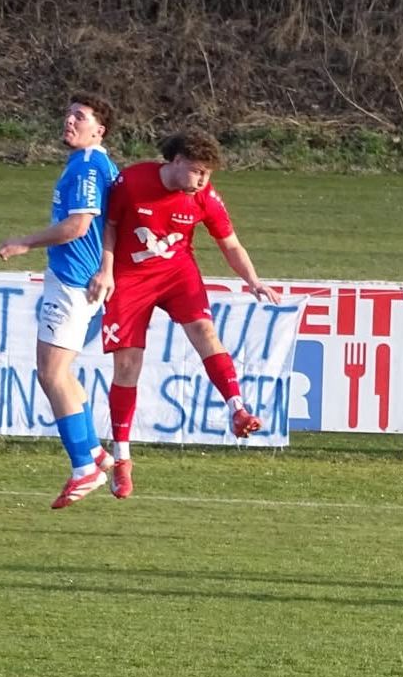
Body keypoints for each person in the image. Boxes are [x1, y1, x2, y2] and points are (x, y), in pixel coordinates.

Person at [88, 128, 281, 499]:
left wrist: (253, 281)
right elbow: (109, 227)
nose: (203, 180)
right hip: (130, 277)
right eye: (197, 171)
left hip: (177, 273)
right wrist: (106, 270)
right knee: (127, 365)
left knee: (205, 332)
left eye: (208, 174)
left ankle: (238, 409)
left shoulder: (205, 196)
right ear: (176, 162)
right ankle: (122, 457)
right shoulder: (133, 181)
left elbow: (230, 244)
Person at [0, 92, 119, 509]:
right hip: (79, 279)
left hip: (72, 283)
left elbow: (78, 225)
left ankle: (83, 467)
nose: (69, 121)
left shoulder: (87, 164)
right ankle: (95, 452)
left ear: (99, 130)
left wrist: (24, 243)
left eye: (80, 117)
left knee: (51, 375)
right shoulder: (93, 163)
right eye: (68, 114)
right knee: (61, 373)